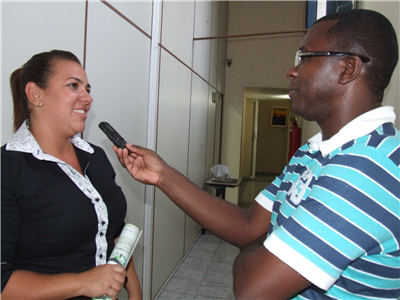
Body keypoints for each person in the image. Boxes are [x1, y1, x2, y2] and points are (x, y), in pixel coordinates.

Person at [113, 9, 400, 300]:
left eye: (305, 57)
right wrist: (162, 175)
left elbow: (253, 289)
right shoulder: (313, 152)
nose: (292, 70)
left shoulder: (368, 168)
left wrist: (264, 244)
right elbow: (248, 225)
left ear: (347, 68)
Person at [0, 50, 141, 300]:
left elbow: (113, 235)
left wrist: (136, 293)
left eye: (87, 88)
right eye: (73, 86)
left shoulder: (95, 157)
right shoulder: (7, 169)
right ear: (35, 94)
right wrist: (83, 283)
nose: (87, 98)